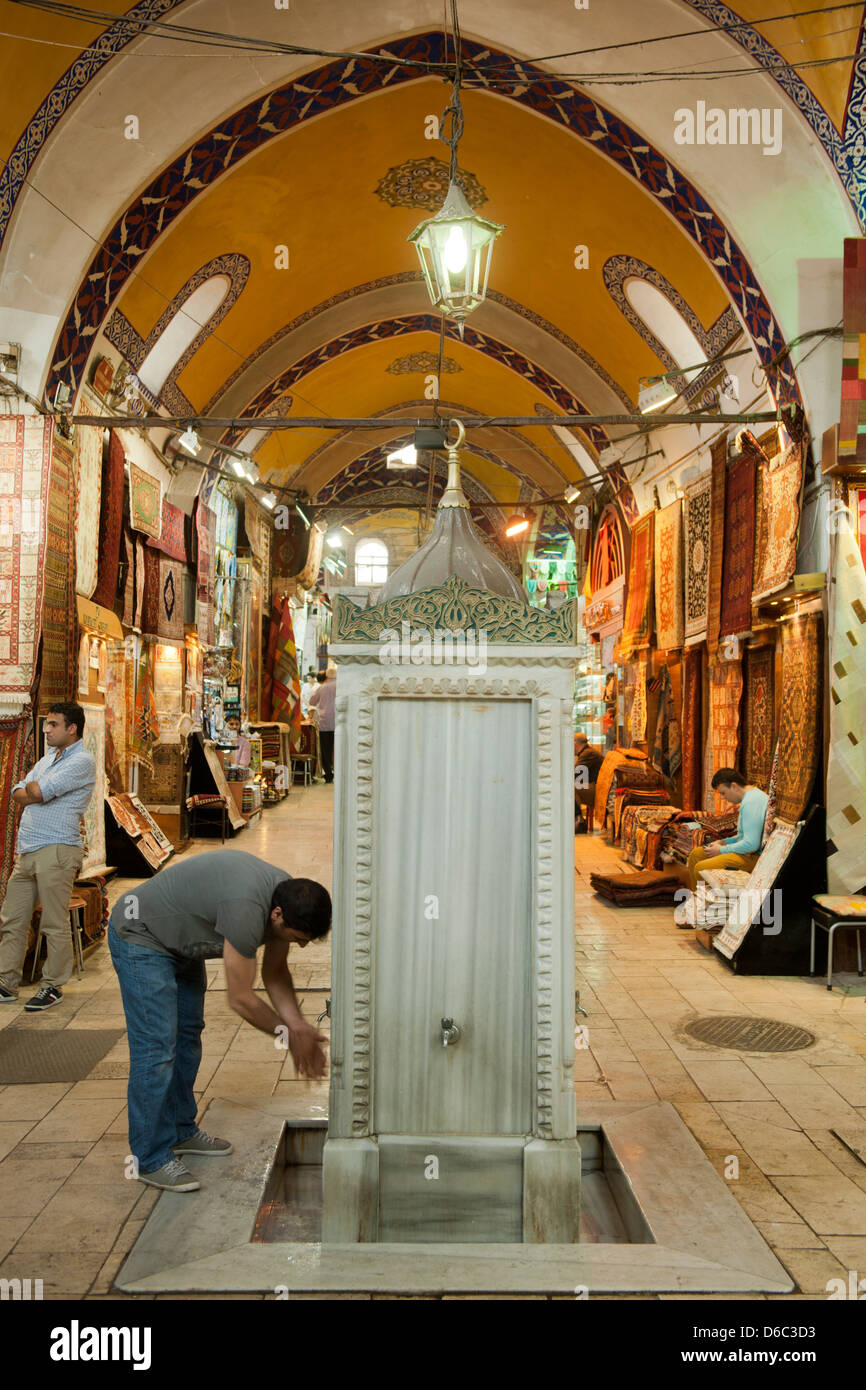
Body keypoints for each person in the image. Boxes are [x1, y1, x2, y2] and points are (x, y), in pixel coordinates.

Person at [108, 849, 332, 1193]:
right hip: (142, 935)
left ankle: (181, 1131)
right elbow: (240, 998)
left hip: (181, 943)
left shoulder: (286, 895)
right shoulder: (247, 908)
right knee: (157, 1049)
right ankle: (149, 1158)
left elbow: (275, 971)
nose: (299, 946)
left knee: (186, 1038)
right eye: (297, 938)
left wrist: (297, 1026)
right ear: (277, 916)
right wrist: (287, 1033)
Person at [0, 702, 96, 1012]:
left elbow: (37, 793)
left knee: (54, 922)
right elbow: (19, 791)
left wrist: (33, 791)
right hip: (28, 850)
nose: (46, 729)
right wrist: (32, 789)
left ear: (72, 728)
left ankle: (52, 985)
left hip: (56, 849)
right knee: (12, 919)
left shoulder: (81, 760)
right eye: (47, 724)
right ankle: (6, 982)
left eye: (53, 724)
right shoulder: (47, 760)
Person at [685, 768, 769, 894]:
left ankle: (709, 908)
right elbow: (743, 836)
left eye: (723, 793)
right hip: (748, 852)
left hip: (755, 856)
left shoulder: (752, 802)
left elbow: (752, 844)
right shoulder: (749, 798)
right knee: (696, 855)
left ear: (734, 786)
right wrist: (723, 842)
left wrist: (721, 850)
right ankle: (697, 902)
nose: (723, 798)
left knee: (701, 868)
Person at [308, 665, 336, 784]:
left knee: (326, 749)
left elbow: (312, 701)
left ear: (326, 676)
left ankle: (328, 775)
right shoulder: (343, 687)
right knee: (339, 748)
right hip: (339, 722)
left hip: (324, 722)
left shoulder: (322, 687)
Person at [574, 731, 604, 834]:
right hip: (593, 786)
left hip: (597, 790)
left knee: (571, 789)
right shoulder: (587, 752)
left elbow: (575, 772)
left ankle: (579, 821)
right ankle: (577, 819)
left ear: (575, 743)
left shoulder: (588, 753)